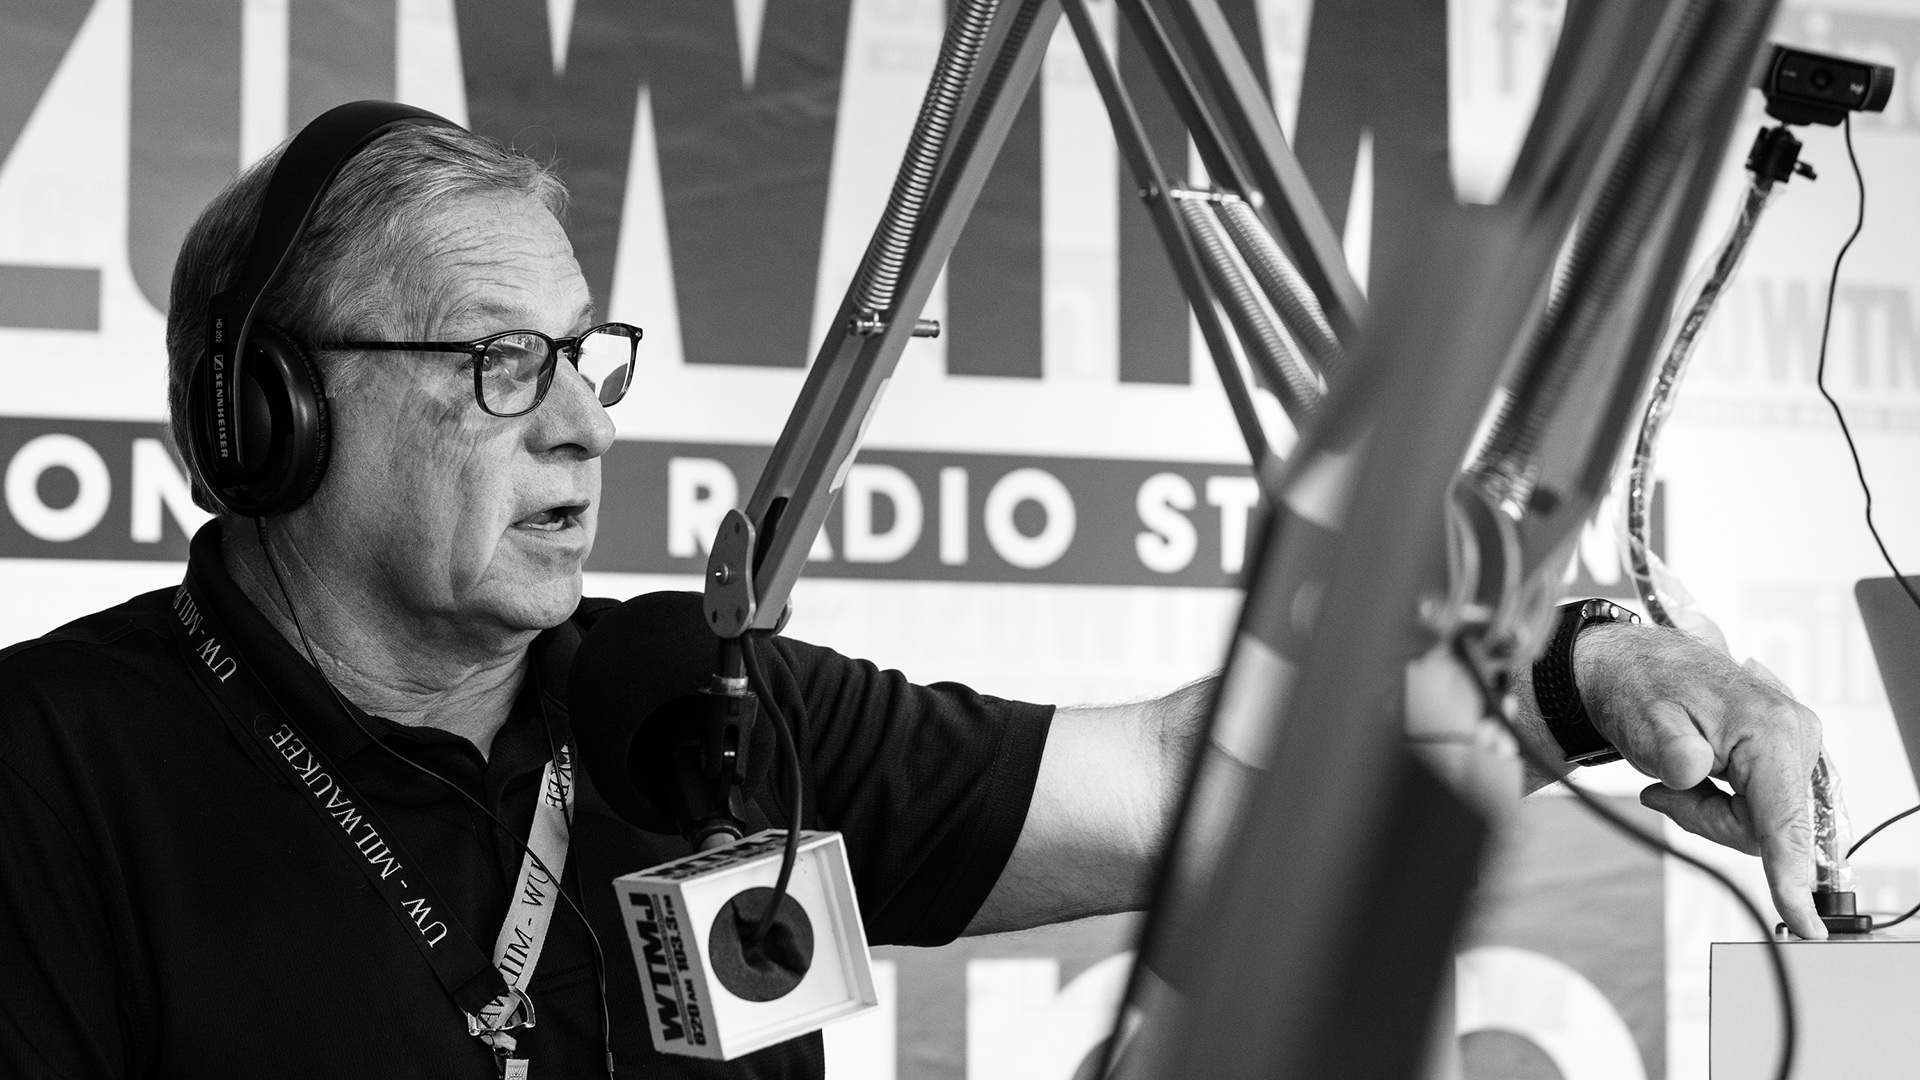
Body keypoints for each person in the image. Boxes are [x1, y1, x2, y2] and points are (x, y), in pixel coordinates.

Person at [0, 112, 1824, 1079]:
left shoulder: (704, 701)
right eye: (495, 364)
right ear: (277, 409)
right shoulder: (50, 776)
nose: (578, 424)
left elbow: (1211, 777)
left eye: (587, 358)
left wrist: (1590, 663)